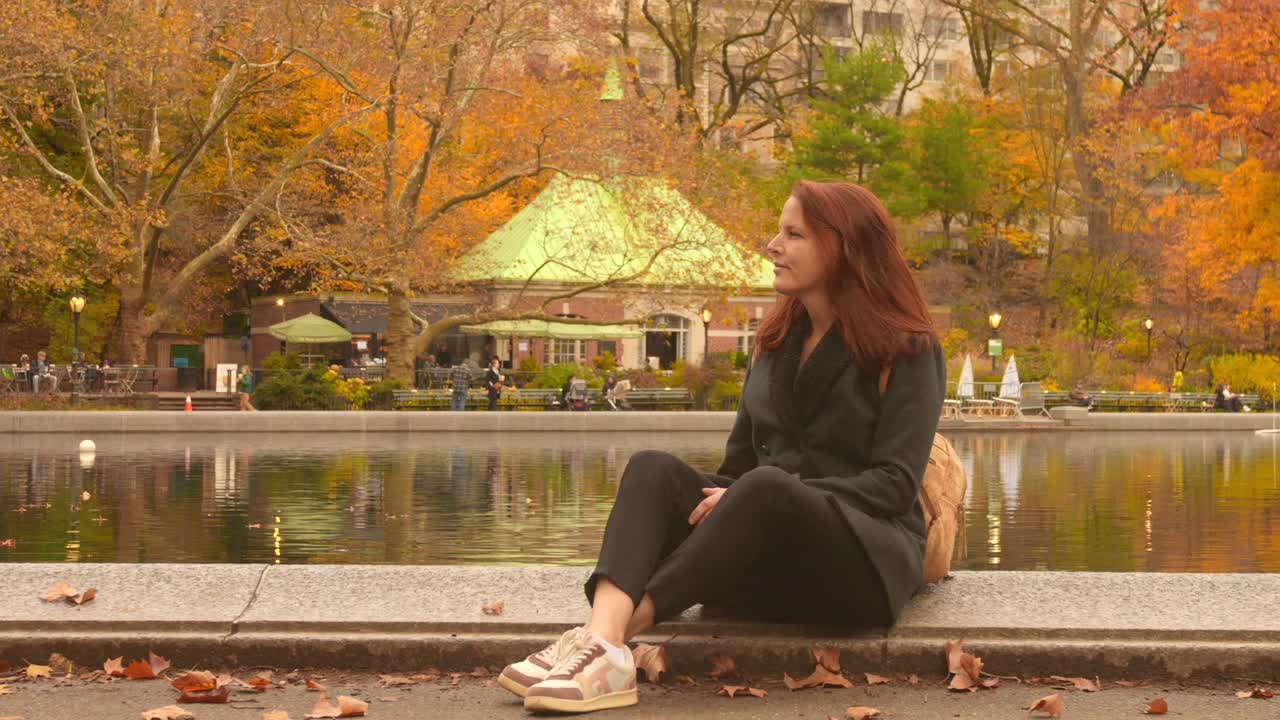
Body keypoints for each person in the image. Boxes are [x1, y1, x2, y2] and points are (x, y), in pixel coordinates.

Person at [497, 180, 946, 714]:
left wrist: (758, 495)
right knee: (652, 469)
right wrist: (736, 497)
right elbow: (738, 470)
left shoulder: (907, 348)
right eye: (779, 232)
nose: (772, 246)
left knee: (765, 487)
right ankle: (601, 638)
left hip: (857, 570)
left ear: (844, 247)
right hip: (761, 563)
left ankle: (609, 644)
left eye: (793, 234)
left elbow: (894, 486)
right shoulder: (773, 346)